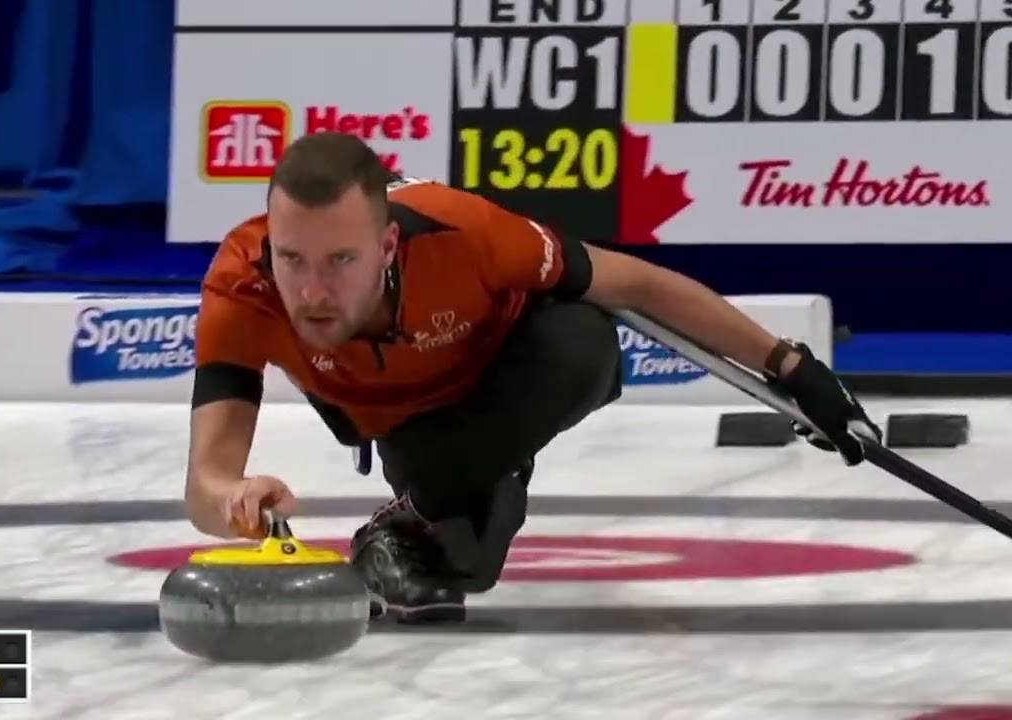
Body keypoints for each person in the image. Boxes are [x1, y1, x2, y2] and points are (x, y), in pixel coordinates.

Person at [183, 132, 881, 623]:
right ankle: (441, 505)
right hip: (404, 424)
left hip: (512, 370)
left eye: (341, 260)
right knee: (464, 565)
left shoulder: (466, 235)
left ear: (388, 243)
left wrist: (792, 368)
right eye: (291, 259)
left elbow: (641, 286)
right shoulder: (243, 288)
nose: (311, 291)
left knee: (583, 343)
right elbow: (205, 486)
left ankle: (425, 505)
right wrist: (236, 497)